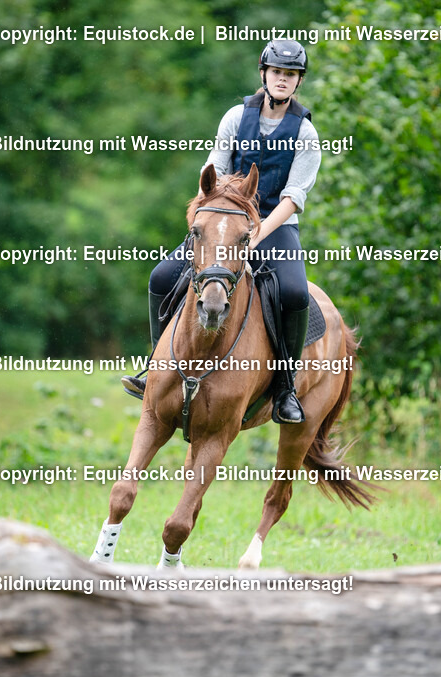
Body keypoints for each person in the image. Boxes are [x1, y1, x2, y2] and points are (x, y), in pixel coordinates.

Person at [122, 39, 322, 424]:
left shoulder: (306, 133)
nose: (283, 80)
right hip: (224, 222)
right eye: (278, 72)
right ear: (264, 74)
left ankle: (284, 388)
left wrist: (258, 233)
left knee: (295, 293)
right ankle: (156, 368)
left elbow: (294, 198)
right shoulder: (235, 117)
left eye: (291, 75)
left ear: (298, 82)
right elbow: (212, 171)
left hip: (274, 225)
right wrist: (205, 217)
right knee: (162, 275)